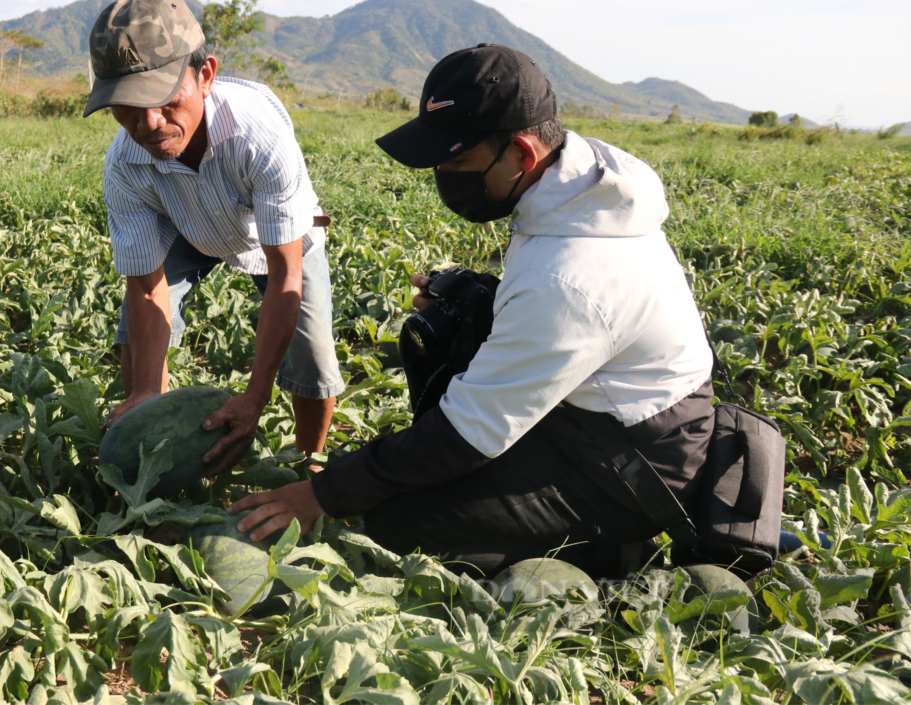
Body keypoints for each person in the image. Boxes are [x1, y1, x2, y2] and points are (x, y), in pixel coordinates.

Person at [230, 44, 716, 576]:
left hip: (630, 462)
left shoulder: (570, 274)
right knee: (452, 328)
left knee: (396, 525)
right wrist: (480, 295)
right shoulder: (580, 184)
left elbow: (471, 430)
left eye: (456, 160)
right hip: (600, 410)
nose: (443, 173)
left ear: (523, 154)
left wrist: (323, 494)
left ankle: (613, 552)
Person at [86, 0, 344, 473]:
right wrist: (145, 387)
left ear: (204, 76)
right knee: (134, 337)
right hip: (185, 222)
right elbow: (146, 286)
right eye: (126, 107)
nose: (150, 124)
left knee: (311, 355)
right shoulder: (125, 165)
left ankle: (308, 464)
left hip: (273, 234)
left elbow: (286, 275)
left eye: (164, 100)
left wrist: (254, 398)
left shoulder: (257, 137)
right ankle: (150, 452)